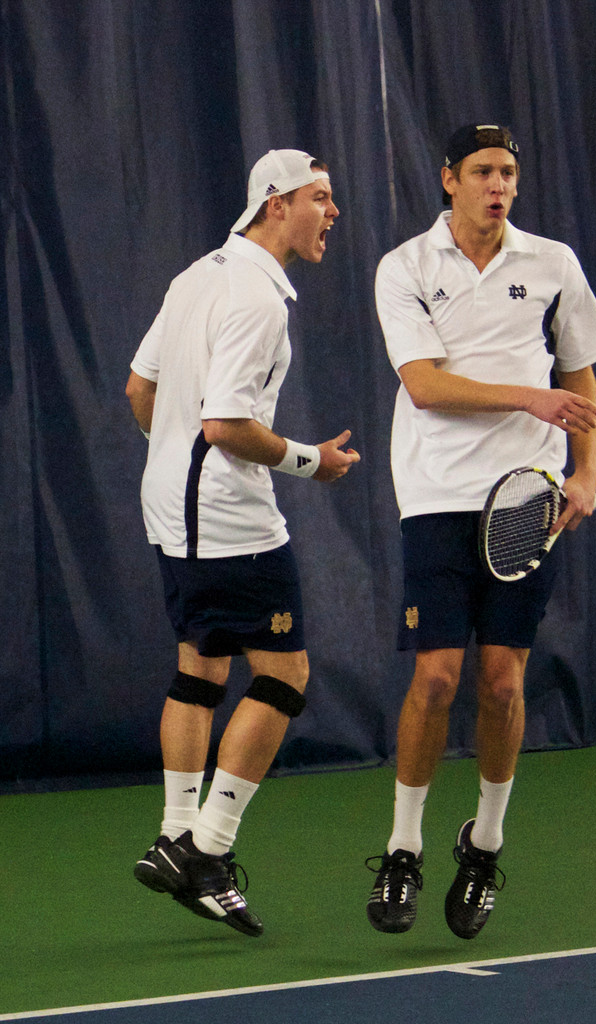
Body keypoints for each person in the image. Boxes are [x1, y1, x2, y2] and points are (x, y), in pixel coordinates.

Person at [366, 124, 596, 939]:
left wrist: (581, 473)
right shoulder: (404, 267)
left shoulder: (554, 263)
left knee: (503, 683)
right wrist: (526, 397)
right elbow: (426, 386)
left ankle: (486, 842)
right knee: (436, 678)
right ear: (449, 180)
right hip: (436, 493)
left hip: (525, 502)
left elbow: (578, 378)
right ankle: (404, 848)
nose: (498, 184)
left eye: (509, 171)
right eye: (482, 171)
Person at [126, 148, 359, 937]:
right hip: (228, 518)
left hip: (170, 508)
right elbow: (225, 426)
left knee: (200, 667)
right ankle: (206, 847)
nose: (332, 213)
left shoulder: (195, 276)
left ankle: (172, 839)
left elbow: (141, 391)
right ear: (274, 203)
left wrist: (170, 466)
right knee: (285, 675)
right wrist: (311, 460)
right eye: (319, 198)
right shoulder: (258, 299)